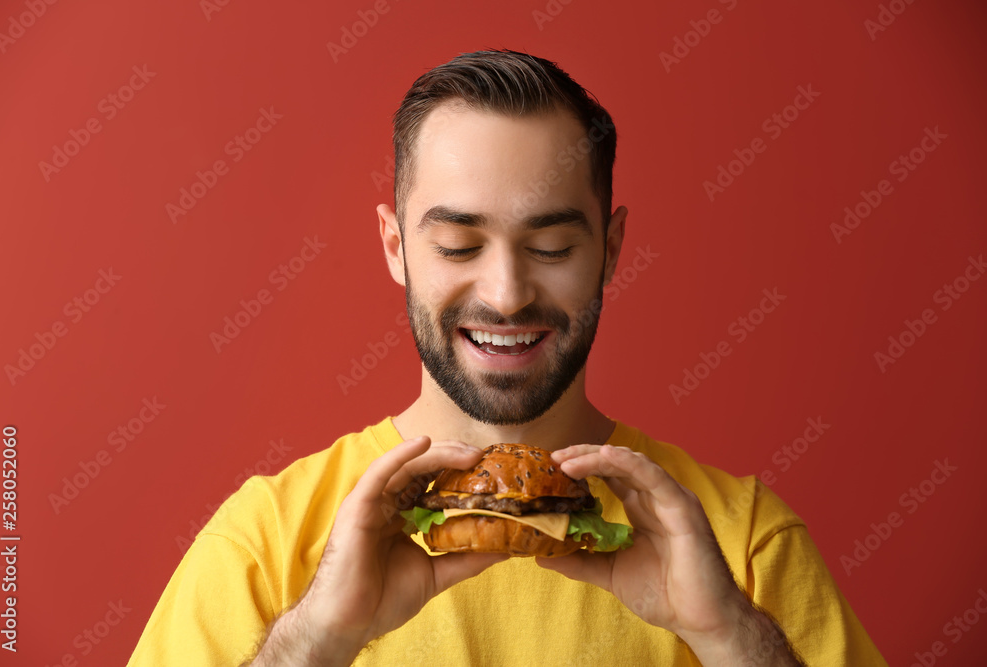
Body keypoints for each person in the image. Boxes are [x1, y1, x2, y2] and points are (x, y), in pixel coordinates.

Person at [127, 49, 886, 666]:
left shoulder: (743, 544)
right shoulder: (266, 541)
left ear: (610, 249)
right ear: (396, 247)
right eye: (458, 245)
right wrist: (315, 642)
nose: (508, 292)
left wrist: (730, 640)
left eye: (551, 246)